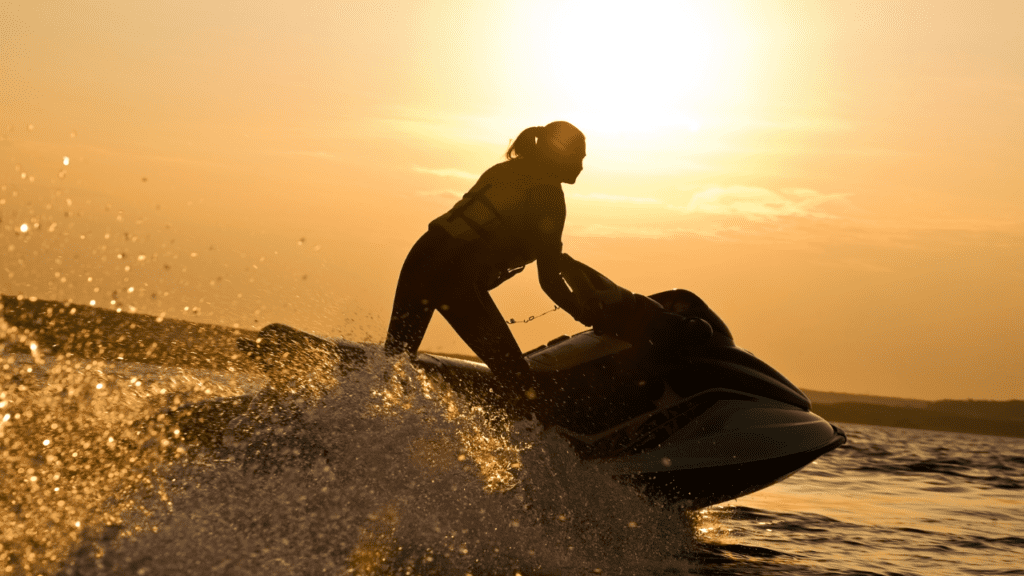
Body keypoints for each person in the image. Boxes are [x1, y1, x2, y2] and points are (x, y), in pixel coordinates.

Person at [385, 121, 596, 409]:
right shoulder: (548, 196)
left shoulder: (505, 171)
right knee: (521, 385)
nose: (582, 166)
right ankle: (533, 441)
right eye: (579, 157)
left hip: (421, 257)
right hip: (456, 279)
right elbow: (548, 279)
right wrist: (588, 316)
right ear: (559, 155)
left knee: (395, 361)